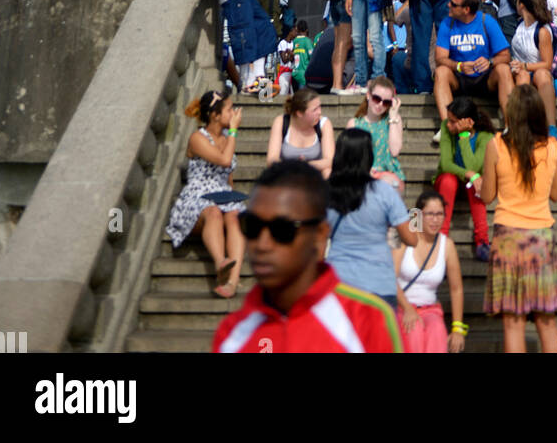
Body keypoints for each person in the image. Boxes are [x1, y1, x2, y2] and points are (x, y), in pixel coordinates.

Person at [212, 161, 402, 352]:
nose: (263, 244)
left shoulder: (369, 321)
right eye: (252, 226)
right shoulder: (232, 333)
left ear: (320, 235)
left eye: (282, 230)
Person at [481, 85, 557, 353]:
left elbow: (487, 196)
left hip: (507, 238)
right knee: (547, 321)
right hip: (540, 238)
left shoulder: (496, 145)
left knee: (513, 322)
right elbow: (556, 194)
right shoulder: (552, 147)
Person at [166, 89, 245, 298]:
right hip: (199, 195)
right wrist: (235, 132)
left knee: (235, 216)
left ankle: (232, 282)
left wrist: (233, 196)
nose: (234, 113)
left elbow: (228, 175)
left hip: (223, 193)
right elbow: (224, 161)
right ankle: (221, 263)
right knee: (213, 212)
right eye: (229, 109)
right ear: (215, 115)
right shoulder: (197, 138)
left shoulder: (228, 137)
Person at [325, 128, 417, 308]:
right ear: (368, 156)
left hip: (338, 283)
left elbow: (317, 243)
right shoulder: (384, 192)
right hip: (379, 284)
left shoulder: (324, 192)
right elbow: (411, 239)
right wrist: (413, 217)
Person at [395, 189, 466, 353]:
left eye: (440, 214)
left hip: (430, 309)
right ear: (418, 216)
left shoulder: (447, 245)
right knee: (413, 331)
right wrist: (408, 308)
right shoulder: (406, 238)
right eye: (430, 214)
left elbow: (456, 289)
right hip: (402, 306)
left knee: (437, 331)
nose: (435, 220)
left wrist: (457, 329)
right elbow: (389, 279)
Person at [434, 0, 513, 127]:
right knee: (441, 72)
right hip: (459, 78)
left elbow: (506, 56)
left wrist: (489, 62)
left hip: (485, 78)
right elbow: (440, 59)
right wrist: (458, 66)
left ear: (466, 9)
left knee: (503, 69)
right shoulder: (447, 23)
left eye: (453, 4)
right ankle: (448, 126)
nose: (448, 5)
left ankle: (510, 125)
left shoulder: (487, 22)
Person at [434, 94, 494, 260]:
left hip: (472, 185)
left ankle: (482, 241)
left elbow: (474, 167)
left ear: (468, 121)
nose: (449, 124)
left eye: (453, 121)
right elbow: (446, 164)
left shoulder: (485, 136)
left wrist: (463, 136)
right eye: (449, 120)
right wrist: (470, 174)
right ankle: (441, 238)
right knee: (449, 180)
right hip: (449, 181)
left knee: (477, 183)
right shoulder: (446, 127)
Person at [510, 0, 557, 132]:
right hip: (521, 72)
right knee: (522, 76)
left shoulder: (542, 31)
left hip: (537, 72)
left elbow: (547, 63)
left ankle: (551, 127)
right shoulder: (519, 26)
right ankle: (520, 126)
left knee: (541, 74)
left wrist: (524, 65)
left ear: (522, 5)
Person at [346, 74, 405, 192]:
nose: (380, 105)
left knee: (385, 184)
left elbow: (395, 151)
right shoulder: (354, 124)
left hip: (389, 175)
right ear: (368, 95)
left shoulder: (393, 120)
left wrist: (393, 117)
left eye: (386, 102)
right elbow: (350, 159)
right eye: (376, 98)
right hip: (361, 175)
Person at [266, 87, 335, 177]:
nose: (319, 112)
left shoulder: (324, 124)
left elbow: (330, 161)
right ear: (299, 113)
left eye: (320, 107)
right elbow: (271, 159)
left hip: (314, 176)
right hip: (287, 175)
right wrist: (293, 166)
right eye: (314, 110)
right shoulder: (281, 122)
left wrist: (305, 165)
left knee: (328, 171)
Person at [291, 20, 314, 89]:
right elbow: (312, 56)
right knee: (304, 97)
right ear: (307, 29)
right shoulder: (307, 41)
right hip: (304, 74)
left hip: (295, 73)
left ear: (297, 29)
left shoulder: (295, 41)